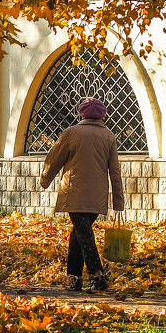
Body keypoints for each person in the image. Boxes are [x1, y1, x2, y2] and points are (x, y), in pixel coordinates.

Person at [40, 97, 125, 292]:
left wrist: (45, 179)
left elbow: (54, 159)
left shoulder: (71, 133)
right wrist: (118, 200)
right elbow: (115, 170)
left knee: (83, 233)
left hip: (74, 193)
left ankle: (98, 275)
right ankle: (75, 278)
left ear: (81, 113)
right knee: (78, 233)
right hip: (97, 195)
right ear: (102, 115)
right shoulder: (109, 136)